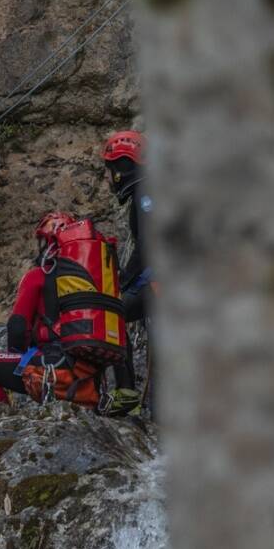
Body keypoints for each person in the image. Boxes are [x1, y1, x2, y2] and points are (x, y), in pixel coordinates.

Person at [0, 211, 132, 413]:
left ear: (50, 244)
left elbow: (17, 326)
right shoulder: (99, 286)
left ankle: (6, 419)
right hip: (90, 383)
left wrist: (19, 362)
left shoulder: (38, 276)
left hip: (51, 370)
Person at [103, 130, 152, 412]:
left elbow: (148, 247)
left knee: (112, 315)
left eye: (113, 170)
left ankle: (127, 399)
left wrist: (121, 282)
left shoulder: (147, 196)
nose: (111, 179)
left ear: (125, 166)